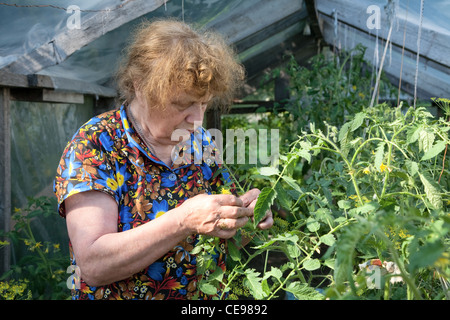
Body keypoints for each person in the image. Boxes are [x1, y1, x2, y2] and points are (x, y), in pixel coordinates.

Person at [54, 18, 273, 300]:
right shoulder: (96, 145)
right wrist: (183, 220)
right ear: (141, 86)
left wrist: (248, 216)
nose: (196, 119)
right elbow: (95, 265)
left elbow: (223, 232)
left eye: (204, 103)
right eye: (182, 104)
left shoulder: (200, 141)